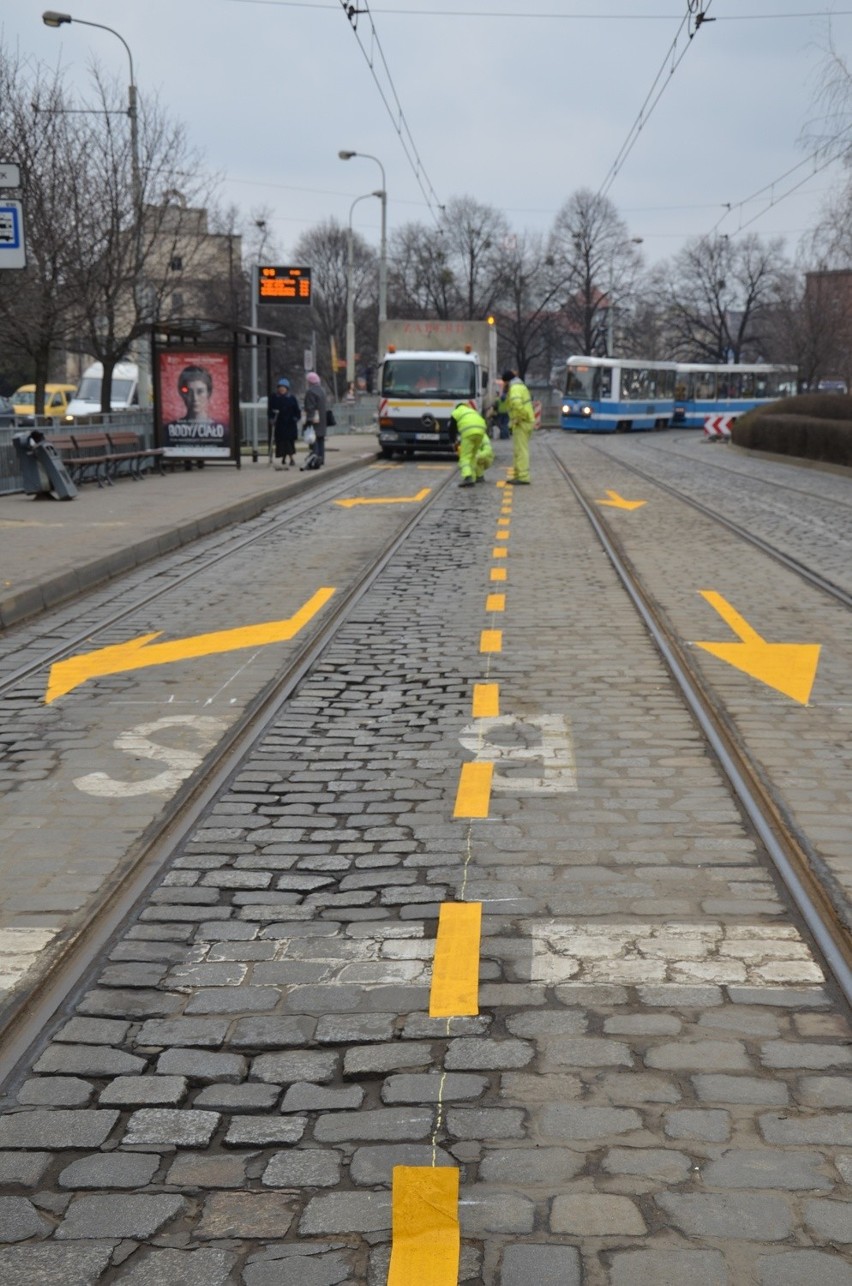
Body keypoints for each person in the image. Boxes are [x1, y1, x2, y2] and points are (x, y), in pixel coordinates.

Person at [448, 401, 493, 488]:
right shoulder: (472, 411)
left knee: (464, 457)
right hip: (481, 431)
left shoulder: (456, 412)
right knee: (473, 456)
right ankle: (473, 477)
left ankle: (467, 477)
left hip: (469, 432)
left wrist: (453, 442)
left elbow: (451, 429)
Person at [503, 367, 535, 484]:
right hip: (522, 422)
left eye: (504, 383)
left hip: (522, 422)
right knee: (518, 450)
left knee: (521, 451)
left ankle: (523, 477)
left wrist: (520, 417)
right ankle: (518, 475)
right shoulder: (520, 386)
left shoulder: (515, 388)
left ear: (507, 381)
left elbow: (517, 403)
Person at [268, 378, 300, 469]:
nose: (282, 389)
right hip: (279, 424)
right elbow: (270, 410)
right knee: (281, 442)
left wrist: (295, 418)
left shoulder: (291, 398)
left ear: (287, 389)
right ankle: (284, 457)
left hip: (289, 424)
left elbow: (297, 411)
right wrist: (271, 418)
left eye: (284, 388)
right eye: (280, 388)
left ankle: (291, 458)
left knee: (289, 442)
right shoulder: (274, 397)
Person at [302, 372, 328, 468]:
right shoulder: (322, 391)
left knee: (314, 440)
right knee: (321, 439)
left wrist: (308, 419)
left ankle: (315, 459)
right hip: (322, 419)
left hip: (314, 419)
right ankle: (321, 459)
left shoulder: (310, 392)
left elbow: (310, 407)